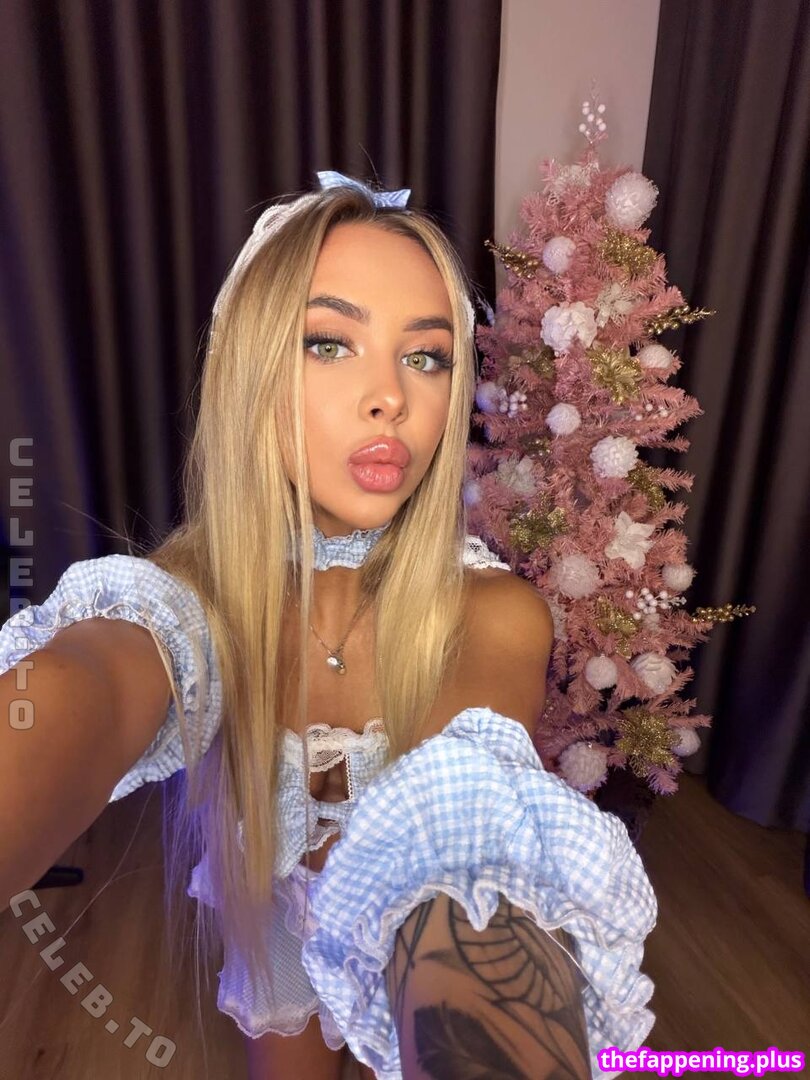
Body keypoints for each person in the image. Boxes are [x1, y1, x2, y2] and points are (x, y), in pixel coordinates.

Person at [0, 173, 657, 1080]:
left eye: (427, 357)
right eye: (329, 343)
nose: (390, 396)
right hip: (271, 930)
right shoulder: (183, 607)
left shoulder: (496, 617)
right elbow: (85, 688)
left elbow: (468, 853)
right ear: (253, 372)